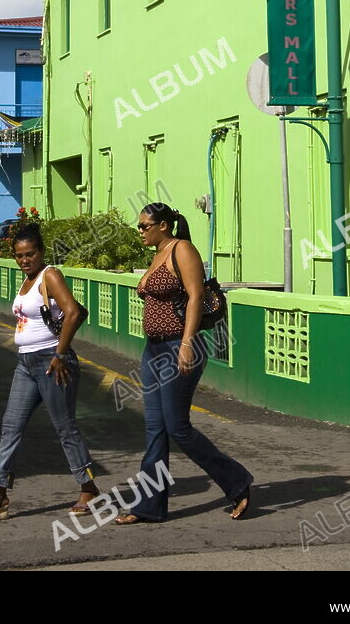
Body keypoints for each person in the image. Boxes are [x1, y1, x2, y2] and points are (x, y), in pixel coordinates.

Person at [116, 202, 253, 525]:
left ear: (163, 225)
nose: (140, 232)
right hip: (153, 350)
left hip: (179, 346)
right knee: (155, 430)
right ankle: (148, 507)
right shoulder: (158, 253)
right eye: (139, 226)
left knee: (178, 427)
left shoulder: (183, 250)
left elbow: (195, 296)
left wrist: (188, 344)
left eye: (144, 226)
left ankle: (237, 481)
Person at [0, 223, 100, 523]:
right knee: (10, 427)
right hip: (25, 364)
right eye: (19, 255)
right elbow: (73, 311)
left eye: (30, 254)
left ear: (41, 252)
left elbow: (75, 312)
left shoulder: (49, 274)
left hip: (52, 363)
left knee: (65, 428)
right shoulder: (27, 280)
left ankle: (88, 487)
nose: (25, 260)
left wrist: (60, 353)